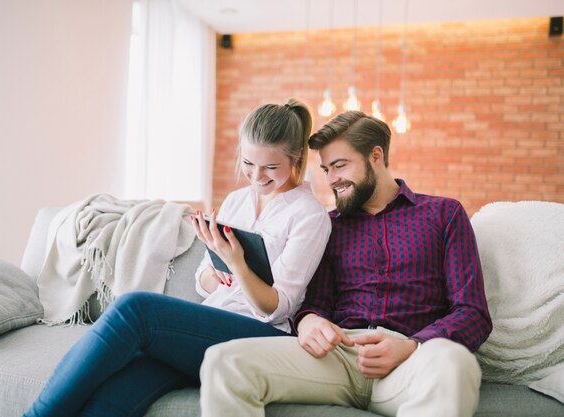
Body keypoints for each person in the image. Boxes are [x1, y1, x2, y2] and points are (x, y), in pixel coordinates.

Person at [22, 99, 331, 417]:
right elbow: (203, 281)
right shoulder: (237, 201)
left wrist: (238, 265)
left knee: (136, 309)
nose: (256, 176)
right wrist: (217, 273)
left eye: (271, 167)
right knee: (119, 387)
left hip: (264, 336)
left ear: (295, 160)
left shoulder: (310, 215)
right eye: (249, 163)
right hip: (214, 320)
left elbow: (278, 306)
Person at [200, 111, 493, 417]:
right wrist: (309, 321)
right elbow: (314, 302)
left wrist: (413, 346)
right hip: (338, 354)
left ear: (375, 156)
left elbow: (473, 313)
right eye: (326, 169)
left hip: (410, 358)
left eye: (340, 166)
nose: (331, 180)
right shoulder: (329, 225)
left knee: (454, 361)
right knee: (225, 360)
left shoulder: (442, 214)